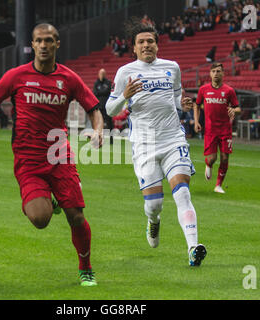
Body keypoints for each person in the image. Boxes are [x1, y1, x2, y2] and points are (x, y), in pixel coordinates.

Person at [0, 23, 104, 286]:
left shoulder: (69, 78)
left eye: (49, 40)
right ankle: (46, 200)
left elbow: (94, 107)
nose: (44, 45)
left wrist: (98, 130)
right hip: (28, 160)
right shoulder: (16, 76)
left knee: (76, 216)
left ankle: (85, 267)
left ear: (57, 44)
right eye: (39, 41)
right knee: (40, 219)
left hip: (60, 156)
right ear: (32, 45)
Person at [106, 24, 207, 267]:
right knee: (154, 204)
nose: (146, 45)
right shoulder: (125, 72)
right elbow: (110, 109)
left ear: (157, 44)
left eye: (150, 41)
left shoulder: (172, 68)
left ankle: (193, 247)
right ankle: (154, 221)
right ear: (134, 47)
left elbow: (175, 97)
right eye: (141, 42)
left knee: (182, 192)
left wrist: (182, 104)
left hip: (173, 138)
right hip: (145, 144)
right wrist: (125, 96)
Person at [194, 62, 241, 194]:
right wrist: (196, 121)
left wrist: (234, 110)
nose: (216, 74)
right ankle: (208, 164)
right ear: (210, 73)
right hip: (210, 130)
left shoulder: (229, 91)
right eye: (213, 71)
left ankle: (218, 185)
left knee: (225, 158)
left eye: (218, 71)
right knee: (212, 158)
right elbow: (196, 105)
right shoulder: (203, 89)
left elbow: (238, 108)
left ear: (223, 73)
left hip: (225, 129)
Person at [93, 68, 113, 143]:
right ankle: (98, 138)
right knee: (98, 123)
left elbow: (107, 91)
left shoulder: (108, 82)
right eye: (100, 73)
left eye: (103, 74)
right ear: (98, 74)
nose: (102, 75)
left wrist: (100, 92)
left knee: (109, 123)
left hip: (107, 106)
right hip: (99, 106)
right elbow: (95, 92)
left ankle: (111, 140)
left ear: (105, 74)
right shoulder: (96, 83)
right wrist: (102, 92)